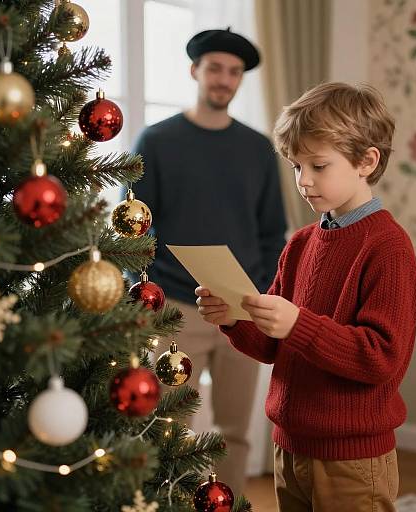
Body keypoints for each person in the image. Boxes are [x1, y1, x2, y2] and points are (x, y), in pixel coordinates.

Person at [195, 82, 416, 511]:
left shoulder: (387, 247)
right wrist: (233, 318)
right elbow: (272, 345)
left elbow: (382, 357)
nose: (303, 181)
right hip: (291, 445)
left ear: (366, 161)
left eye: (318, 166)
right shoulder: (301, 243)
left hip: (353, 459)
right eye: (296, 166)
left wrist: (298, 324)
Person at [131, 28, 287, 495]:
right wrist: (145, 295)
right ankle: (169, 505)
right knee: (169, 426)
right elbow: (133, 227)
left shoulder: (259, 148)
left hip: (242, 307)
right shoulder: (156, 140)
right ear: (194, 70)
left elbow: (271, 232)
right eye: (215, 68)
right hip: (174, 307)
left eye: (234, 72)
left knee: (235, 432)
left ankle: (231, 505)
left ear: (241, 80)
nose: (224, 79)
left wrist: (259, 295)